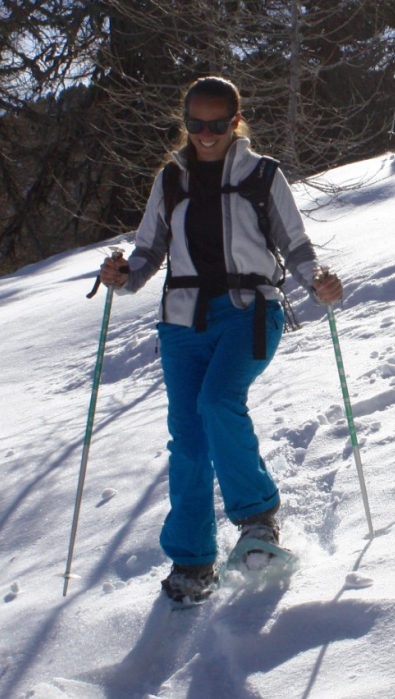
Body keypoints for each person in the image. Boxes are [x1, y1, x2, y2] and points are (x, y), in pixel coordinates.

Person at [98, 76, 344, 605]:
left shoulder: (262, 175)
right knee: (187, 439)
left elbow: (295, 244)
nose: (205, 134)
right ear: (184, 123)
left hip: (250, 312)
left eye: (216, 124)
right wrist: (122, 274)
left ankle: (257, 521)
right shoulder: (170, 179)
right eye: (195, 124)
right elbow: (146, 253)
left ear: (236, 122)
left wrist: (317, 281)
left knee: (217, 402)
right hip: (183, 322)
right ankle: (192, 560)